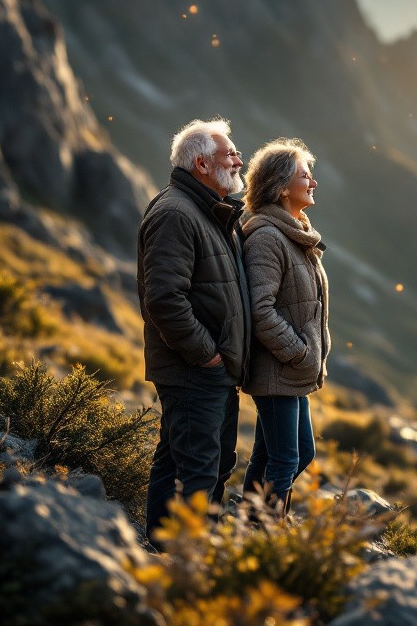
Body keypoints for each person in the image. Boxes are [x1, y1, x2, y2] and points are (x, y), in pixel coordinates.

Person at [137, 118, 251, 547]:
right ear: (201, 163)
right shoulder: (176, 213)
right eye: (230, 154)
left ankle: (164, 548)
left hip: (211, 369)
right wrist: (207, 355)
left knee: (190, 460)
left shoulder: (207, 211)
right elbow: (164, 299)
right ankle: (187, 560)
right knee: (201, 467)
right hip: (194, 368)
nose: (240, 160)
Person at [240, 137, 329, 516]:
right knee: (286, 460)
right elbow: (260, 310)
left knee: (289, 453)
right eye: (305, 175)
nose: (313, 183)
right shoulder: (266, 237)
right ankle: (263, 533)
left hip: (291, 371)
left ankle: (247, 521)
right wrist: (298, 351)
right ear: (280, 188)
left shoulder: (294, 232)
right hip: (278, 369)